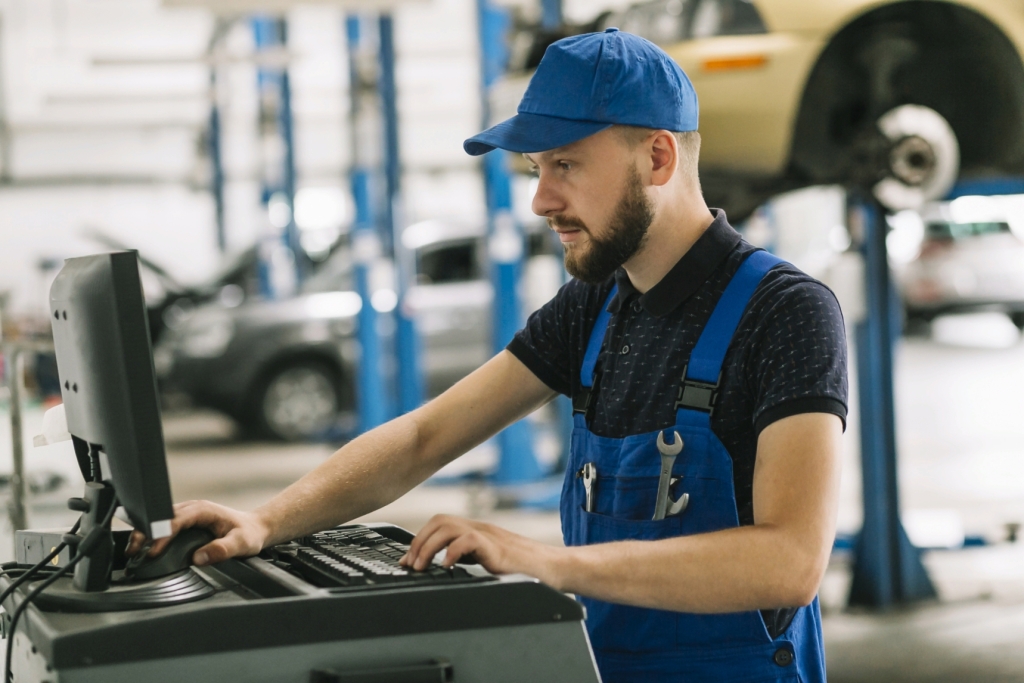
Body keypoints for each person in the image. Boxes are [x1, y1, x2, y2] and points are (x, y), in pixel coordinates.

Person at [130, 29, 847, 682]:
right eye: (537, 167)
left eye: (565, 164)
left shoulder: (784, 312)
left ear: (657, 156)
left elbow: (789, 560)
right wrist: (266, 521)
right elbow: (424, 436)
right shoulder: (595, 308)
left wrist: (548, 562)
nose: (541, 199)